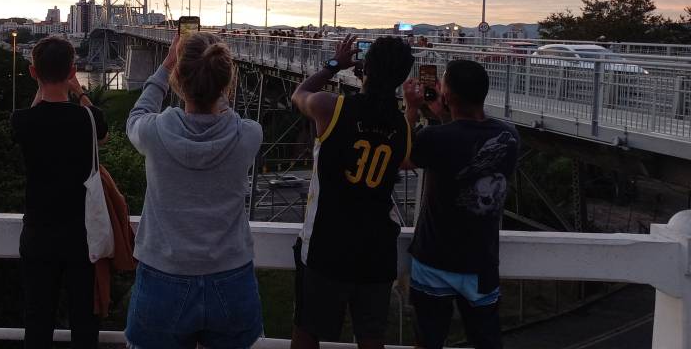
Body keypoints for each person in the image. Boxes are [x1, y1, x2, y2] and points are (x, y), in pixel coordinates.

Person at [125, 31, 264, 349]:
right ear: (225, 84)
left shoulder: (154, 134)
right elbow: (225, 113)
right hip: (231, 278)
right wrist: (214, 79)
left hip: (163, 276)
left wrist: (165, 66)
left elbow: (137, 114)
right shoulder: (248, 136)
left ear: (177, 79)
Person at [289, 35, 416, 349]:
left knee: (307, 330)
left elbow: (300, 94)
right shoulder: (401, 128)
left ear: (364, 67)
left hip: (327, 243)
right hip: (377, 247)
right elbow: (402, 158)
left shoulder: (331, 108)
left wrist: (334, 65)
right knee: (371, 336)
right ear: (402, 78)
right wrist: (413, 109)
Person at [401, 60, 521, 349]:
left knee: (428, 340)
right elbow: (466, 141)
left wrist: (412, 110)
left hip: (434, 260)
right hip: (481, 263)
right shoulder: (509, 137)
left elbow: (403, 158)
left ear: (447, 96)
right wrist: (447, 115)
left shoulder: (434, 138)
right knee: (487, 341)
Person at [10, 36, 108, 349]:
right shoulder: (88, 119)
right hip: (81, 235)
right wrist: (78, 91)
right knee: (84, 322)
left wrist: (43, 85)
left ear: (33, 72)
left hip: (39, 233)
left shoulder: (22, 121)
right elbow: (101, 132)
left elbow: (36, 113)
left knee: (37, 320)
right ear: (72, 71)